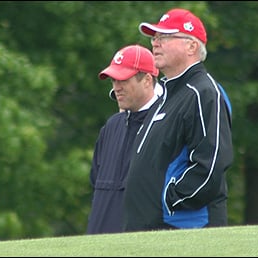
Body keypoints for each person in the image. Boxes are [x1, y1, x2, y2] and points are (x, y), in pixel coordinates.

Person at [122, 8, 233, 232]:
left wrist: (168, 200)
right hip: (148, 229)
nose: (155, 43)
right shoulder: (166, 95)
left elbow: (210, 165)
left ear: (191, 46)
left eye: (165, 37)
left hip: (183, 229)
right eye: (154, 38)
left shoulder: (203, 92)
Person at [86, 44, 162, 234]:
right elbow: (95, 179)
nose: (116, 87)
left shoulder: (165, 126)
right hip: (97, 240)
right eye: (113, 80)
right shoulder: (112, 126)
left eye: (123, 80)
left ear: (146, 80)